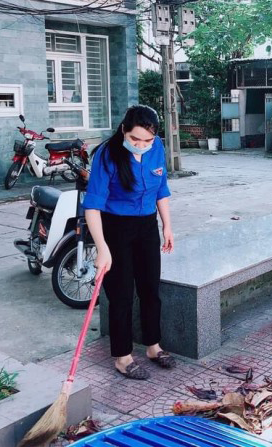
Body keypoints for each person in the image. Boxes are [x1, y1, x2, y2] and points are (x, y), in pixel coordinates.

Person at [83, 105, 175, 380]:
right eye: (135, 140)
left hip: (146, 225)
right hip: (115, 227)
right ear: (124, 130)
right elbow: (93, 205)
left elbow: (161, 189)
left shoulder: (156, 147)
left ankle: (153, 346)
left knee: (150, 288)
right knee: (121, 294)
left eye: (147, 140)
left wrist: (167, 225)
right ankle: (123, 357)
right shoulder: (107, 155)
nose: (142, 145)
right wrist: (102, 248)